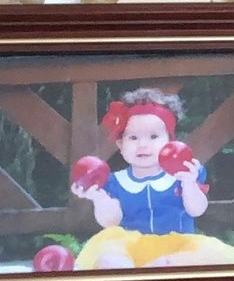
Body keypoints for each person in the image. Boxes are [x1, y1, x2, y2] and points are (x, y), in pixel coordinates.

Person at [74, 90, 208, 236]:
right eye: (133, 138)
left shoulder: (183, 175)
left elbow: (197, 210)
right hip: (131, 249)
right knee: (110, 258)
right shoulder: (113, 182)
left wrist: (189, 184)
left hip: (178, 249)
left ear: (170, 141)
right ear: (120, 144)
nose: (142, 144)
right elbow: (110, 222)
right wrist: (99, 198)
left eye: (153, 136)